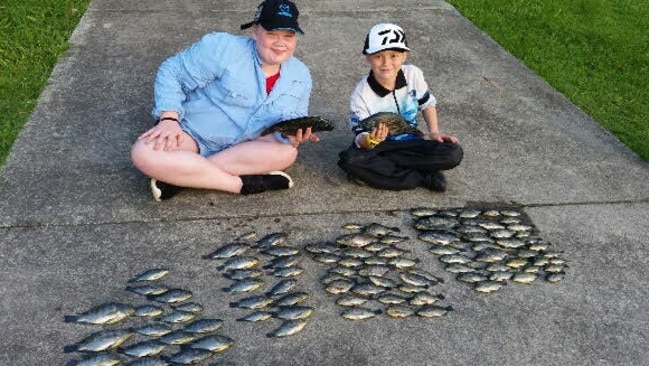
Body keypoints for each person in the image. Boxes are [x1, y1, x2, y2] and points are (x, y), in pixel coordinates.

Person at [131, 0, 319, 201]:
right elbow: (172, 72)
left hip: (246, 145)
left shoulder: (301, 75)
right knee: (144, 153)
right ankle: (239, 184)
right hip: (194, 134)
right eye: (272, 34)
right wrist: (169, 118)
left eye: (288, 36)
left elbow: (293, 119)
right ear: (255, 31)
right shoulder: (223, 47)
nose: (280, 43)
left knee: (287, 153)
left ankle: (181, 176)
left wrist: (292, 136)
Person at [338, 23, 463, 192]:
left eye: (393, 56)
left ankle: (385, 172)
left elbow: (427, 103)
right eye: (378, 56)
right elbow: (359, 136)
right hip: (380, 147)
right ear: (368, 57)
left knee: (453, 153)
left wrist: (434, 133)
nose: (386, 63)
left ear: (405, 55)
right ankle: (422, 176)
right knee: (350, 160)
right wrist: (370, 140)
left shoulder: (413, 74)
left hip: (412, 142)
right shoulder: (360, 94)